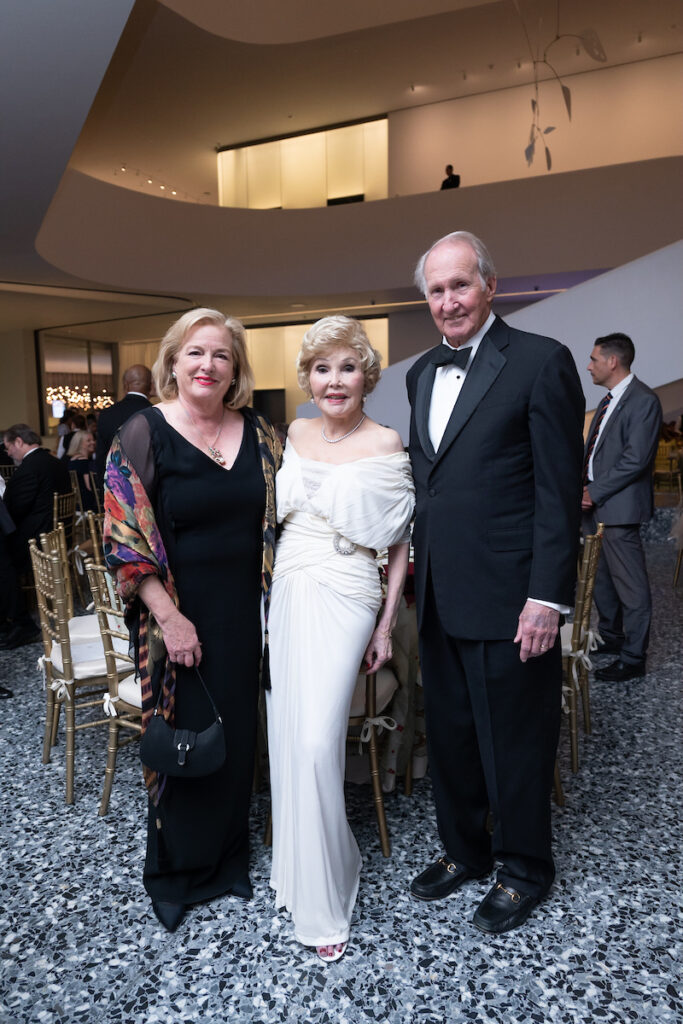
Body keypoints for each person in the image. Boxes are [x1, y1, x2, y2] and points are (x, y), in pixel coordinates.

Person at [406, 231, 584, 934]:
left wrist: (546, 597)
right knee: (449, 735)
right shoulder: (420, 373)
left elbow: (557, 491)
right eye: (435, 290)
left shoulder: (540, 362)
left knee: (513, 739)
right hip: (441, 593)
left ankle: (523, 868)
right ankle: (464, 851)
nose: (447, 301)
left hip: (512, 597)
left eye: (459, 285)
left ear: (488, 285)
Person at [104, 309, 280, 933]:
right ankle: (174, 873)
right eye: (196, 353)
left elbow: (286, 516)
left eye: (222, 356)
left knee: (234, 741)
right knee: (180, 744)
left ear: (235, 370)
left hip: (244, 615)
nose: (208, 366)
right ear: (173, 361)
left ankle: (228, 861)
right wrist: (171, 619)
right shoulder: (142, 431)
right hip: (172, 617)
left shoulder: (259, 432)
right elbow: (124, 540)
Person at [267, 316, 414, 963]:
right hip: (292, 584)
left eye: (346, 367)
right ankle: (299, 874)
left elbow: (402, 544)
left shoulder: (386, 441)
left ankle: (327, 900)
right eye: (321, 368)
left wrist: (384, 625)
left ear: (366, 375)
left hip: (351, 584)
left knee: (316, 738)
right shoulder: (293, 432)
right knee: (289, 733)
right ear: (308, 377)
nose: (333, 380)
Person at [582, 332, 662, 682]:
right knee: (601, 582)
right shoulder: (607, 401)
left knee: (630, 586)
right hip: (593, 506)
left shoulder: (643, 400)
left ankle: (633, 657)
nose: (589, 366)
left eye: (594, 359)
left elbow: (635, 460)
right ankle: (613, 638)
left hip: (618, 507)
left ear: (612, 361)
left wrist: (593, 491)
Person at [1, 423, 71, 649]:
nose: (8, 452)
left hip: (37, 541)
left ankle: (15, 621)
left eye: (8, 447)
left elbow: (14, 510)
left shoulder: (29, 469)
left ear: (19, 442)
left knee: (3, 560)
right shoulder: (55, 463)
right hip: (57, 536)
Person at [96, 364, 153, 485]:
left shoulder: (107, 414)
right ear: (151, 385)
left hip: (115, 486)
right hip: (149, 488)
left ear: (125, 385)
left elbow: (101, 456)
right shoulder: (156, 413)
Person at [66, 429, 98, 512]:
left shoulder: (72, 460)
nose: (93, 442)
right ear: (79, 444)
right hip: (88, 505)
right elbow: (90, 487)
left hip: (76, 504)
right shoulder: (84, 462)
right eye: (88, 441)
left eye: (93, 440)